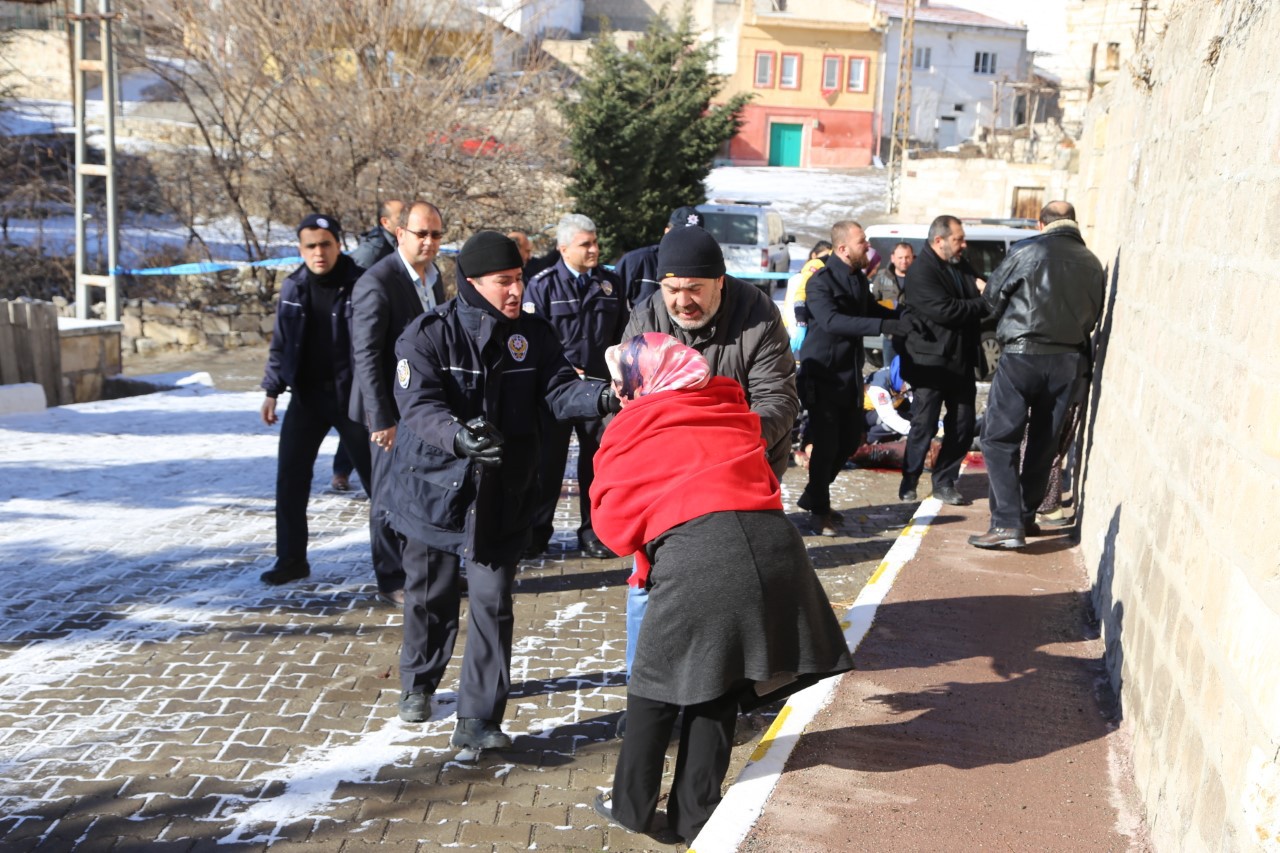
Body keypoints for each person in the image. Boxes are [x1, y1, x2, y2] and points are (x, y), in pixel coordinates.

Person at [589, 332, 853, 843]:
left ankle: (632, 809)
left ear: (647, 381)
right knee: (717, 682)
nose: (620, 393)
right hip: (778, 551)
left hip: (701, 556)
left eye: (624, 382)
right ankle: (694, 817)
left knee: (653, 688)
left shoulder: (636, 426)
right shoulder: (726, 408)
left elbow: (614, 528)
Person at [385, 231, 620, 746]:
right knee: (430, 596)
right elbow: (419, 408)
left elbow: (559, 390)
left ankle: (479, 720)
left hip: (502, 492)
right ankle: (419, 682)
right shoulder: (427, 336)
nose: (516, 291)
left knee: (493, 602)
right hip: (434, 490)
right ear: (471, 283)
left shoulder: (533, 335)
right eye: (504, 282)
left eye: (519, 280)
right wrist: (458, 437)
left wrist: (605, 396)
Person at [620, 224, 799, 674]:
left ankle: (727, 689)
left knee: (732, 585)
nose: (682, 301)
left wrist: (721, 453)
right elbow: (626, 404)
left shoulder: (758, 315)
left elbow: (777, 400)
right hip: (667, 479)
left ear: (720, 281)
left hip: (739, 474)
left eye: (694, 289)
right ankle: (646, 692)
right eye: (672, 289)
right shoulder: (647, 318)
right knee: (649, 582)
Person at [970, 201, 1105, 549]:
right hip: (1068, 361)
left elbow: (991, 300)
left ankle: (1006, 523)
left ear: (1040, 223)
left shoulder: (1027, 251)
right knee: (1043, 444)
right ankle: (1026, 516)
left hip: (1022, 355)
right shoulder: (1092, 263)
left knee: (998, 439)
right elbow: (1094, 315)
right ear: (1073, 222)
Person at [259, 214, 374, 585]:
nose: (318, 252)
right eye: (310, 246)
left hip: (353, 399)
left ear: (339, 244)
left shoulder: (361, 284)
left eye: (325, 244)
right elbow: (280, 343)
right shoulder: (293, 287)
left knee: (380, 484)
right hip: (307, 397)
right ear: (300, 249)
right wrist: (271, 391)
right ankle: (291, 559)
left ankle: (400, 564)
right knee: (290, 479)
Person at [349, 201, 447, 606]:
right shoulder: (378, 281)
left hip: (423, 405)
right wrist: (380, 417)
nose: (429, 242)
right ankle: (391, 579)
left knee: (423, 491)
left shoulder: (435, 276)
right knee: (387, 495)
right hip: (388, 410)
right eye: (421, 233)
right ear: (399, 233)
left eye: (436, 235)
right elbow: (367, 355)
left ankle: (425, 574)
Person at [523, 214, 628, 559]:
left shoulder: (610, 284)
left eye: (595, 242)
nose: (594, 249)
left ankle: (594, 532)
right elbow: (530, 339)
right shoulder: (542, 286)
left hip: (600, 391)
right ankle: (537, 533)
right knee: (546, 464)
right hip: (557, 392)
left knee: (598, 464)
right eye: (586, 244)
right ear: (563, 248)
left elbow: (623, 336)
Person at [795, 220, 909, 536]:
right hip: (822, 374)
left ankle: (814, 495)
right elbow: (832, 322)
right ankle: (819, 511)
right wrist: (884, 328)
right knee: (827, 443)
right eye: (862, 242)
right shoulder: (820, 282)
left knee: (849, 441)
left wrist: (900, 316)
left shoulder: (857, 278)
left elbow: (869, 310)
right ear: (843, 248)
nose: (868, 248)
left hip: (849, 375)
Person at [897, 215, 987, 506]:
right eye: (958, 239)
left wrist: (978, 292)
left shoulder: (960, 263)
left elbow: (983, 284)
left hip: (960, 359)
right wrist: (981, 300)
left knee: (962, 423)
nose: (964, 244)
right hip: (930, 362)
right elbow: (946, 311)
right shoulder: (921, 271)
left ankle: (944, 481)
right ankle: (909, 479)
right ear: (939, 241)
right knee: (924, 424)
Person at [614, 205, 705, 309]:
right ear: (667, 232)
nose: (686, 240)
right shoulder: (636, 262)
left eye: (694, 236)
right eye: (680, 233)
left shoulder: (705, 270)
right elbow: (611, 304)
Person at [781, 239, 833, 350]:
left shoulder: (820, 275)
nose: (825, 261)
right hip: (796, 330)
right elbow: (794, 303)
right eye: (823, 256)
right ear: (814, 255)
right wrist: (799, 325)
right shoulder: (801, 277)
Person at [871, 241, 914, 368]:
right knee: (889, 373)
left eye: (907, 257)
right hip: (890, 336)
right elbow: (873, 302)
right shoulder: (882, 276)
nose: (904, 261)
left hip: (913, 336)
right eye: (900, 257)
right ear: (893, 258)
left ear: (912, 257)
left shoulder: (919, 277)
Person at [349, 199, 405, 270]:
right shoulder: (371, 251)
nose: (407, 221)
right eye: (401, 218)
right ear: (385, 222)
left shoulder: (403, 242)